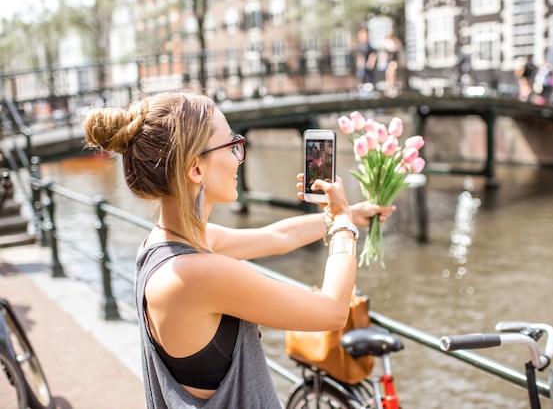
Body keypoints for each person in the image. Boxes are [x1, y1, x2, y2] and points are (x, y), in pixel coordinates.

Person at [82, 91, 395, 408]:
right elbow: (332, 311)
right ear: (196, 169)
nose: (238, 157)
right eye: (231, 145)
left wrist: (347, 214)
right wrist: (344, 227)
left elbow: (277, 237)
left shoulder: (167, 245)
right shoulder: (198, 275)